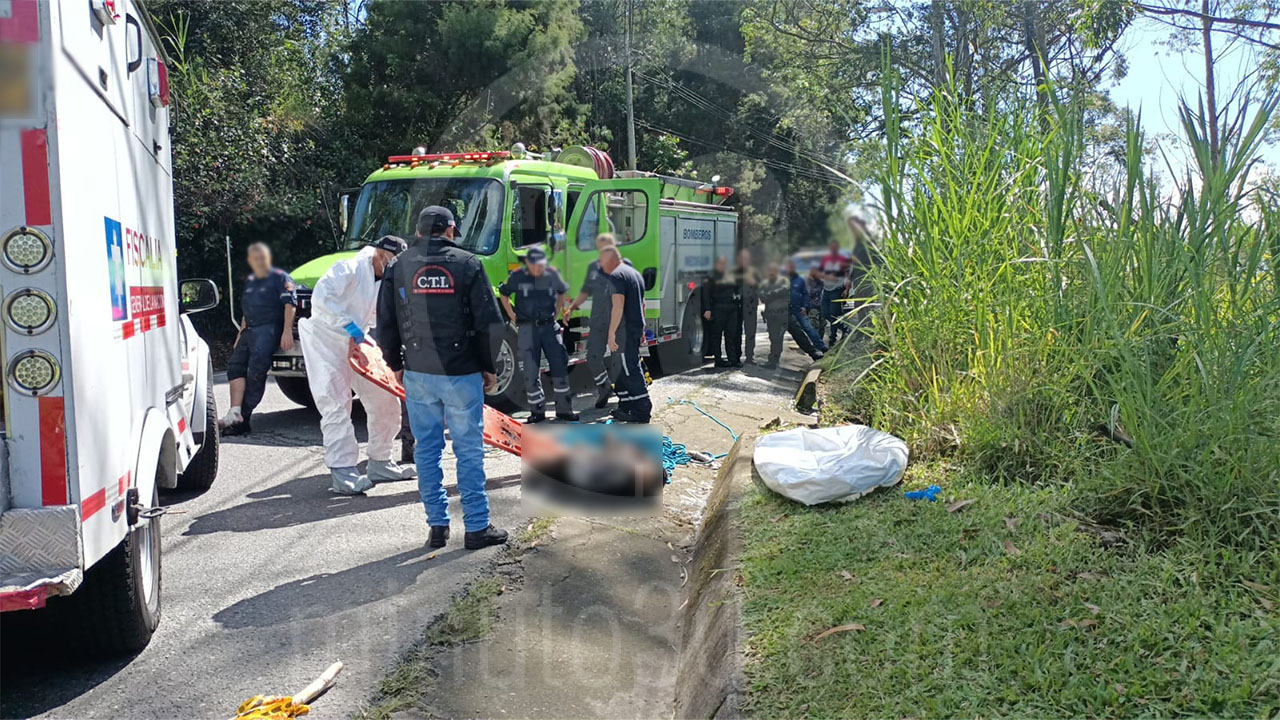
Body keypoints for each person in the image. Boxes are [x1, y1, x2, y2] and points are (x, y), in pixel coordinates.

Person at [375, 206, 508, 550]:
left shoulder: (397, 265)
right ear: (450, 231)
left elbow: (386, 320)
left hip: (418, 371)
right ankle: (477, 527)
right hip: (460, 371)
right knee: (468, 450)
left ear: (418, 232)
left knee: (427, 450)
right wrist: (488, 367)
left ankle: (437, 526)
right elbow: (490, 324)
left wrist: (395, 363)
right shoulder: (468, 264)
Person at [299, 235, 416, 495]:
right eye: (389, 259)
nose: (391, 265)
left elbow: (381, 317)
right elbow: (322, 302)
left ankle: (381, 461)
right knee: (336, 403)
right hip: (326, 340)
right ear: (378, 253)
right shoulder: (347, 269)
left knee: (386, 397)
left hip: (358, 340)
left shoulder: (385, 281)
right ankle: (343, 472)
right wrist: (350, 328)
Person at [221, 243, 296, 436]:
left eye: (261, 257)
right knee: (235, 366)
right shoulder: (251, 280)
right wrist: (240, 333)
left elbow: (290, 305)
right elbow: (246, 310)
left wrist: (286, 331)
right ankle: (235, 411)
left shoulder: (280, 277)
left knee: (255, 372)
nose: (258, 261)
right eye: (254, 258)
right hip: (250, 329)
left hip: (268, 329)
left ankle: (243, 419)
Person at [498, 246, 579, 423]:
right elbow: (503, 294)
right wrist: (512, 315)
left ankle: (564, 410)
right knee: (530, 370)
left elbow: (562, 291)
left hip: (550, 327)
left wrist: (558, 311)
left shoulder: (552, 274)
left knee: (559, 366)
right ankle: (537, 411)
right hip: (528, 329)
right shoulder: (517, 276)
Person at [564, 233, 624, 409]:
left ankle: (624, 396)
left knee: (617, 360)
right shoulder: (594, 268)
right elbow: (585, 291)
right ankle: (604, 386)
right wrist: (571, 308)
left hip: (618, 322)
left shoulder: (622, 267)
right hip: (598, 320)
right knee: (592, 357)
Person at [600, 245, 652, 422]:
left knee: (629, 368)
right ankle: (626, 405)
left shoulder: (616, 276)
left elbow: (618, 306)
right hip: (633, 328)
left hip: (624, 330)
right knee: (620, 368)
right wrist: (642, 328)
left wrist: (611, 333)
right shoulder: (634, 274)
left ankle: (642, 409)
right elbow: (643, 304)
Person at [701, 255, 742, 368]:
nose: (723, 266)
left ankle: (733, 359)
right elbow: (706, 293)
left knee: (731, 334)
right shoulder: (711, 277)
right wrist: (707, 309)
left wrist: (738, 296)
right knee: (716, 335)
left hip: (731, 308)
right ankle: (718, 360)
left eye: (724, 263)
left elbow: (738, 287)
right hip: (718, 308)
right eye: (720, 263)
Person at [788, 259, 826, 359]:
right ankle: (773, 360)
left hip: (799, 309)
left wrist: (805, 306)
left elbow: (805, 294)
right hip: (784, 311)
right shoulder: (782, 280)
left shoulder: (800, 280)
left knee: (808, 328)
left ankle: (820, 348)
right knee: (792, 333)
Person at [758, 262, 793, 368]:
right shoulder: (764, 283)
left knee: (779, 337)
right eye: (770, 270)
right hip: (771, 315)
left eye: (774, 270)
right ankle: (772, 360)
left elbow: (785, 290)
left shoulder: (784, 280)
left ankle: (774, 359)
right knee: (773, 338)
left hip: (783, 314)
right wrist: (774, 294)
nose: (772, 272)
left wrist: (771, 294)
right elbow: (762, 297)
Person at [818, 240, 852, 346]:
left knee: (834, 314)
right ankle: (844, 327)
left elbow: (848, 276)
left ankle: (832, 338)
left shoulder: (842, 260)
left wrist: (847, 289)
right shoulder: (825, 259)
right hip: (826, 289)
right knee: (825, 313)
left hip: (837, 289)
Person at [737, 248, 760, 364]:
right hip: (737, 307)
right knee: (736, 332)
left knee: (750, 332)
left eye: (746, 258)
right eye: (741, 258)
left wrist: (754, 283)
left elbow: (761, 288)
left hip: (750, 307)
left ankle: (750, 356)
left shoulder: (753, 272)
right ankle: (736, 356)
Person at [806, 264, 827, 341]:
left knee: (822, 324)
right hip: (813, 306)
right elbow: (809, 293)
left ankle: (819, 341)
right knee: (814, 324)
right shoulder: (808, 281)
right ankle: (814, 341)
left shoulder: (822, 282)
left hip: (822, 305)